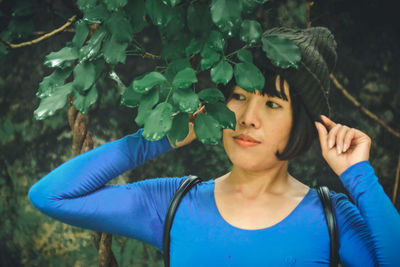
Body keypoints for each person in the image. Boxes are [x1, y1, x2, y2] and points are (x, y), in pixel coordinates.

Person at [28, 27, 400, 266]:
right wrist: (154, 139)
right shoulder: (172, 204)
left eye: (272, 104)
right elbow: (51, 195)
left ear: (300, 125)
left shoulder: (332, 218)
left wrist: (358, 175)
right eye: (238, 97)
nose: (247, 117)